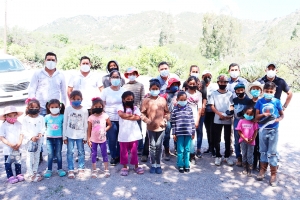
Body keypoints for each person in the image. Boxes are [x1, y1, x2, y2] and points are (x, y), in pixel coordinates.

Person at [28, 52, 67, 163]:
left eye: (53, 60)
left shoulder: (60, 75)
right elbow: (32, 89)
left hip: (54, 108)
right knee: (38, 131)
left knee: (55, 131)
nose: (50, 62)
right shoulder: (37, 74)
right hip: (39, 108)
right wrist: (31, 105)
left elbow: (64, 92)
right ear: (44, 61)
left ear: (56, 61)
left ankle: (54, 155)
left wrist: (64, 106)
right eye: (48, 59)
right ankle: (38, 154)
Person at [255, 82, 284, 187]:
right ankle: (262, 171)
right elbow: (256, 117)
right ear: (263, 91)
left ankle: (273, 174)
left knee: (272, 152)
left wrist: (277, 120)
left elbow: (282, 115)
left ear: (274, 92)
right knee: (262, 151)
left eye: (271, 92)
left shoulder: (277, 101)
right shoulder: (259, 101)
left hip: (273, 130)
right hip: (262, 129)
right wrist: (263, 114)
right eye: (266, 91)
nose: (268, 93)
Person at [141, 79, 169, 174]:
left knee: (159, 146)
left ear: (159, 89)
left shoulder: (162, 100)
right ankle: (153, 164)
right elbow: (142, 113)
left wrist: (165, 120)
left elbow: (167, 113)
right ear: (149, 89)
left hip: (161, 127)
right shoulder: (146, 100)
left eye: (156, 88)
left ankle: (158, 164)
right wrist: (146, 120)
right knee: (152, 146)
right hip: (151, 127)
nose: (155, 90)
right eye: (153, 88)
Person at [100, 70, 125, 166]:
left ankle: (119, 155)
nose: (115, 79)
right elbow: (102, 105)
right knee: (112, 139)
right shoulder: (106, 91)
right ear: (110, 79)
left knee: (120, 138)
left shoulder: (124, 90)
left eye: (117, 77)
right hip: (109, 119)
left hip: (122, 118)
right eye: (113, 77)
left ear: (120, 79)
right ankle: (114, 156)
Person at [209, 75, 234, 166]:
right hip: (217, 118)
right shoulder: (214, 93)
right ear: (218, 82)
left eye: (225, 82)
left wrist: (229, 114)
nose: (223, 84)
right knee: (217, 138)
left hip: (227, 119)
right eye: (221, 82)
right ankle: (218, 156)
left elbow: (231, 105)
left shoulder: (230, 94)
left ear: (227, 83)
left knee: (227, 138)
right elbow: (212, 106)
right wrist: (219, 114)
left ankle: (227, 156)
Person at [118, 91, 144, 176]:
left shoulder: (135, 108)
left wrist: (127, 116)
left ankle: (136, 166)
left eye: (131, 99)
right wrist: (131, 116)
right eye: (128, 99)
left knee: (134, 151)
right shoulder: (120, 106)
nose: (130, 100)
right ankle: (124, 167)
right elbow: (121, 115)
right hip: (123, 134)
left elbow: (137, 117)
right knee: (123, 151)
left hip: (134, 134)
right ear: (123, 99)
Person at [63, 90, 88, 179]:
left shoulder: (84, 110)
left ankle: (81, 168)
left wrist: (85, 136)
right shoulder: (68, 109)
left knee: (81, 152)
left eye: (78, 99)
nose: (76, 100)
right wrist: (64, 136)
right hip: (70, 135)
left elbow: (86, 124)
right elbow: (65, 123)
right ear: (70, 99)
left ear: (82, 99)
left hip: (80, 136)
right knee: (70, 152)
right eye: (73, 99)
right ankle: (71, 169)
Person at [183, 65, 207, 158]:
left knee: (198, 131)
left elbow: (203, 99)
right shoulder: (185, 84)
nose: (195, 72)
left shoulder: (201, 87)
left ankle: (197, 150)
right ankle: (186, 152)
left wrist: (199, 115)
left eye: (197, 71)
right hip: (185, 116)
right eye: (193, 71)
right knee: (187, 133)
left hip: (197, 114)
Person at [122, 67, 145, 155]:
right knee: (127, 129)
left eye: (133, 74)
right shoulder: (124, 86)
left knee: (138, 129)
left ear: (136, 75)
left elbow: (143, 98)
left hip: (137, 111)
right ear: (127, 76)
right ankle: (128, 147)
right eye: (130, 74)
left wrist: (141, 110)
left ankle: (140, 147)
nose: (132, 76)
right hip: (127, 111)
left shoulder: (140, 85)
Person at [171, 91, 195, 173]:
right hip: (179, 133)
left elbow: (192, 121)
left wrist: (193, 132)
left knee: (187, 149)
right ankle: (180, 164)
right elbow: (173, 122)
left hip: (188, 133)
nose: (183, 101)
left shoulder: (189, 109)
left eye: (185, 99)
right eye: (181, 99)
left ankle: (186, 164)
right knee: (180, 149)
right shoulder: (175, 110)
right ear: (177, 99)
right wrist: (174, 133)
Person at [87, 97, 112, 178]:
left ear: (102, 107)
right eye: (96, 107)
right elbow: (89, 129)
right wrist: (88, 139)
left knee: (104, 153)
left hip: (102, 139)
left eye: (99, 107)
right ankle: (94, 170)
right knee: (94, 154)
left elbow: (109, 125)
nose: (98, 108)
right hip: (93, 139)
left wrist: (105, 130)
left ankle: (106, 169)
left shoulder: (105, 115)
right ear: (93, 107)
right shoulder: (91, 117)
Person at [22, 98, 45, 182]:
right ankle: (30, 174)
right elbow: (23, 130)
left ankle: (35, 171)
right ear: (28, 108)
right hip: (30, 141)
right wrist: (31, 137)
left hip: (39, 140)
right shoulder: (25, 119)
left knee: (37, 156)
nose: (34, 109)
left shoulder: (41, 118)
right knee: (30, 157)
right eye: (32, 108)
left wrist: (40, 133)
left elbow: (43, 128)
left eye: (36, 107)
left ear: (39, 108)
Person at [0, 106, 24, 184]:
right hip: (8, 148)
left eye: (14, 115)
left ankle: (18, 174)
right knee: (8, 163)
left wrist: (19, 142)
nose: (12, 117)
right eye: (10, 116)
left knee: (17, 161)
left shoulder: (18, 124)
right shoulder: (3, 126)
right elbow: (2, 137)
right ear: (5, 116)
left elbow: (21, 134)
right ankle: (10, 176)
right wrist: (10, 144)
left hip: (17, 147)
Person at [43, 99, 66, 178]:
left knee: (58, 154)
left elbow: (65, 126)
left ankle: (60, 169)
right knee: (50, 154)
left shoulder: (62, 116)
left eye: (56, 107)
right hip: (49, 138)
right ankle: (49, 169)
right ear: (49, 107)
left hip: (59, 138)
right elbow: (44, 126)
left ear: (59, 107)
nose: (54, 108)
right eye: (52, 107)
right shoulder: (46, 117)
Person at [245, 81, 264, 171]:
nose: (255, 91)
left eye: (257, 89)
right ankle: (252, 164)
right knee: (252, 146)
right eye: (254, 89)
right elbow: (245, 113)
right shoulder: (248, 102)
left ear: (261, 91)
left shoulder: (262, 102)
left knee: (260, 147)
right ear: (250, 90)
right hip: (250, 129)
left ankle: (261, 166)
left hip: (260, 128)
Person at [235, 106, 259, 177]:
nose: (249, 116)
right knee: (244, 153)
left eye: (251, 114)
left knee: (250, 155)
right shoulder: (241, 121)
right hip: (243, 141)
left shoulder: (254, 122)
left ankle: (250, 169)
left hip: (251, 141)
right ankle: (245, 168)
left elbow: (255, 131)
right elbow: (239, 131)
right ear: (244, 113)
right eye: (247, 114)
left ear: (253, 115)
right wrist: (244, 138)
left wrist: (252, 139)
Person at [183, 76, 202, 164]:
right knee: (184, 136)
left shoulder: (199, 94)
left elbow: (199, 108)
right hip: (184, 117)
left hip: (194, 117)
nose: (192, 85)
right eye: (190, 84)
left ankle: (192, 155)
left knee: (192, 137)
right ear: (187, 84)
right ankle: (185, 155)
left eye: (194, 84)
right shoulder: (184, 93)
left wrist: (197, 120)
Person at [232, 83, 251, 167]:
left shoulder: (248, 100)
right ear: (235, 91)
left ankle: (246, 158)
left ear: (244, 90)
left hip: (246, 123)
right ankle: (238, 157)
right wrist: (230, 111)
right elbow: (231, 108)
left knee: (246, 139)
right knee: (237, 140)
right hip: (237, 121)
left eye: (242, 90)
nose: (240, 92)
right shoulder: (234, 100)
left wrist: (243, 113)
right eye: (238, 90)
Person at [165, 77, 181, 157]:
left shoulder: (180, 94)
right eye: (173, 84)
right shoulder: (166, 94)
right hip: (168, 118)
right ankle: (166, 150)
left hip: (177, 118)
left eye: (176, 84)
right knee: (167, 135)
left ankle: (176, 149)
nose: (175, 86)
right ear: (169, 85)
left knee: (177, 135)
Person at [202, 70, 217, 156]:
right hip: (204, 111)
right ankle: (210, 147)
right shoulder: (201, 85)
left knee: (213, 129)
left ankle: (214, 148)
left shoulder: (214, 86)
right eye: (205, 76)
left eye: (209, 76)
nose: (207, 78)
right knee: (207, 129)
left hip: (212, 111)